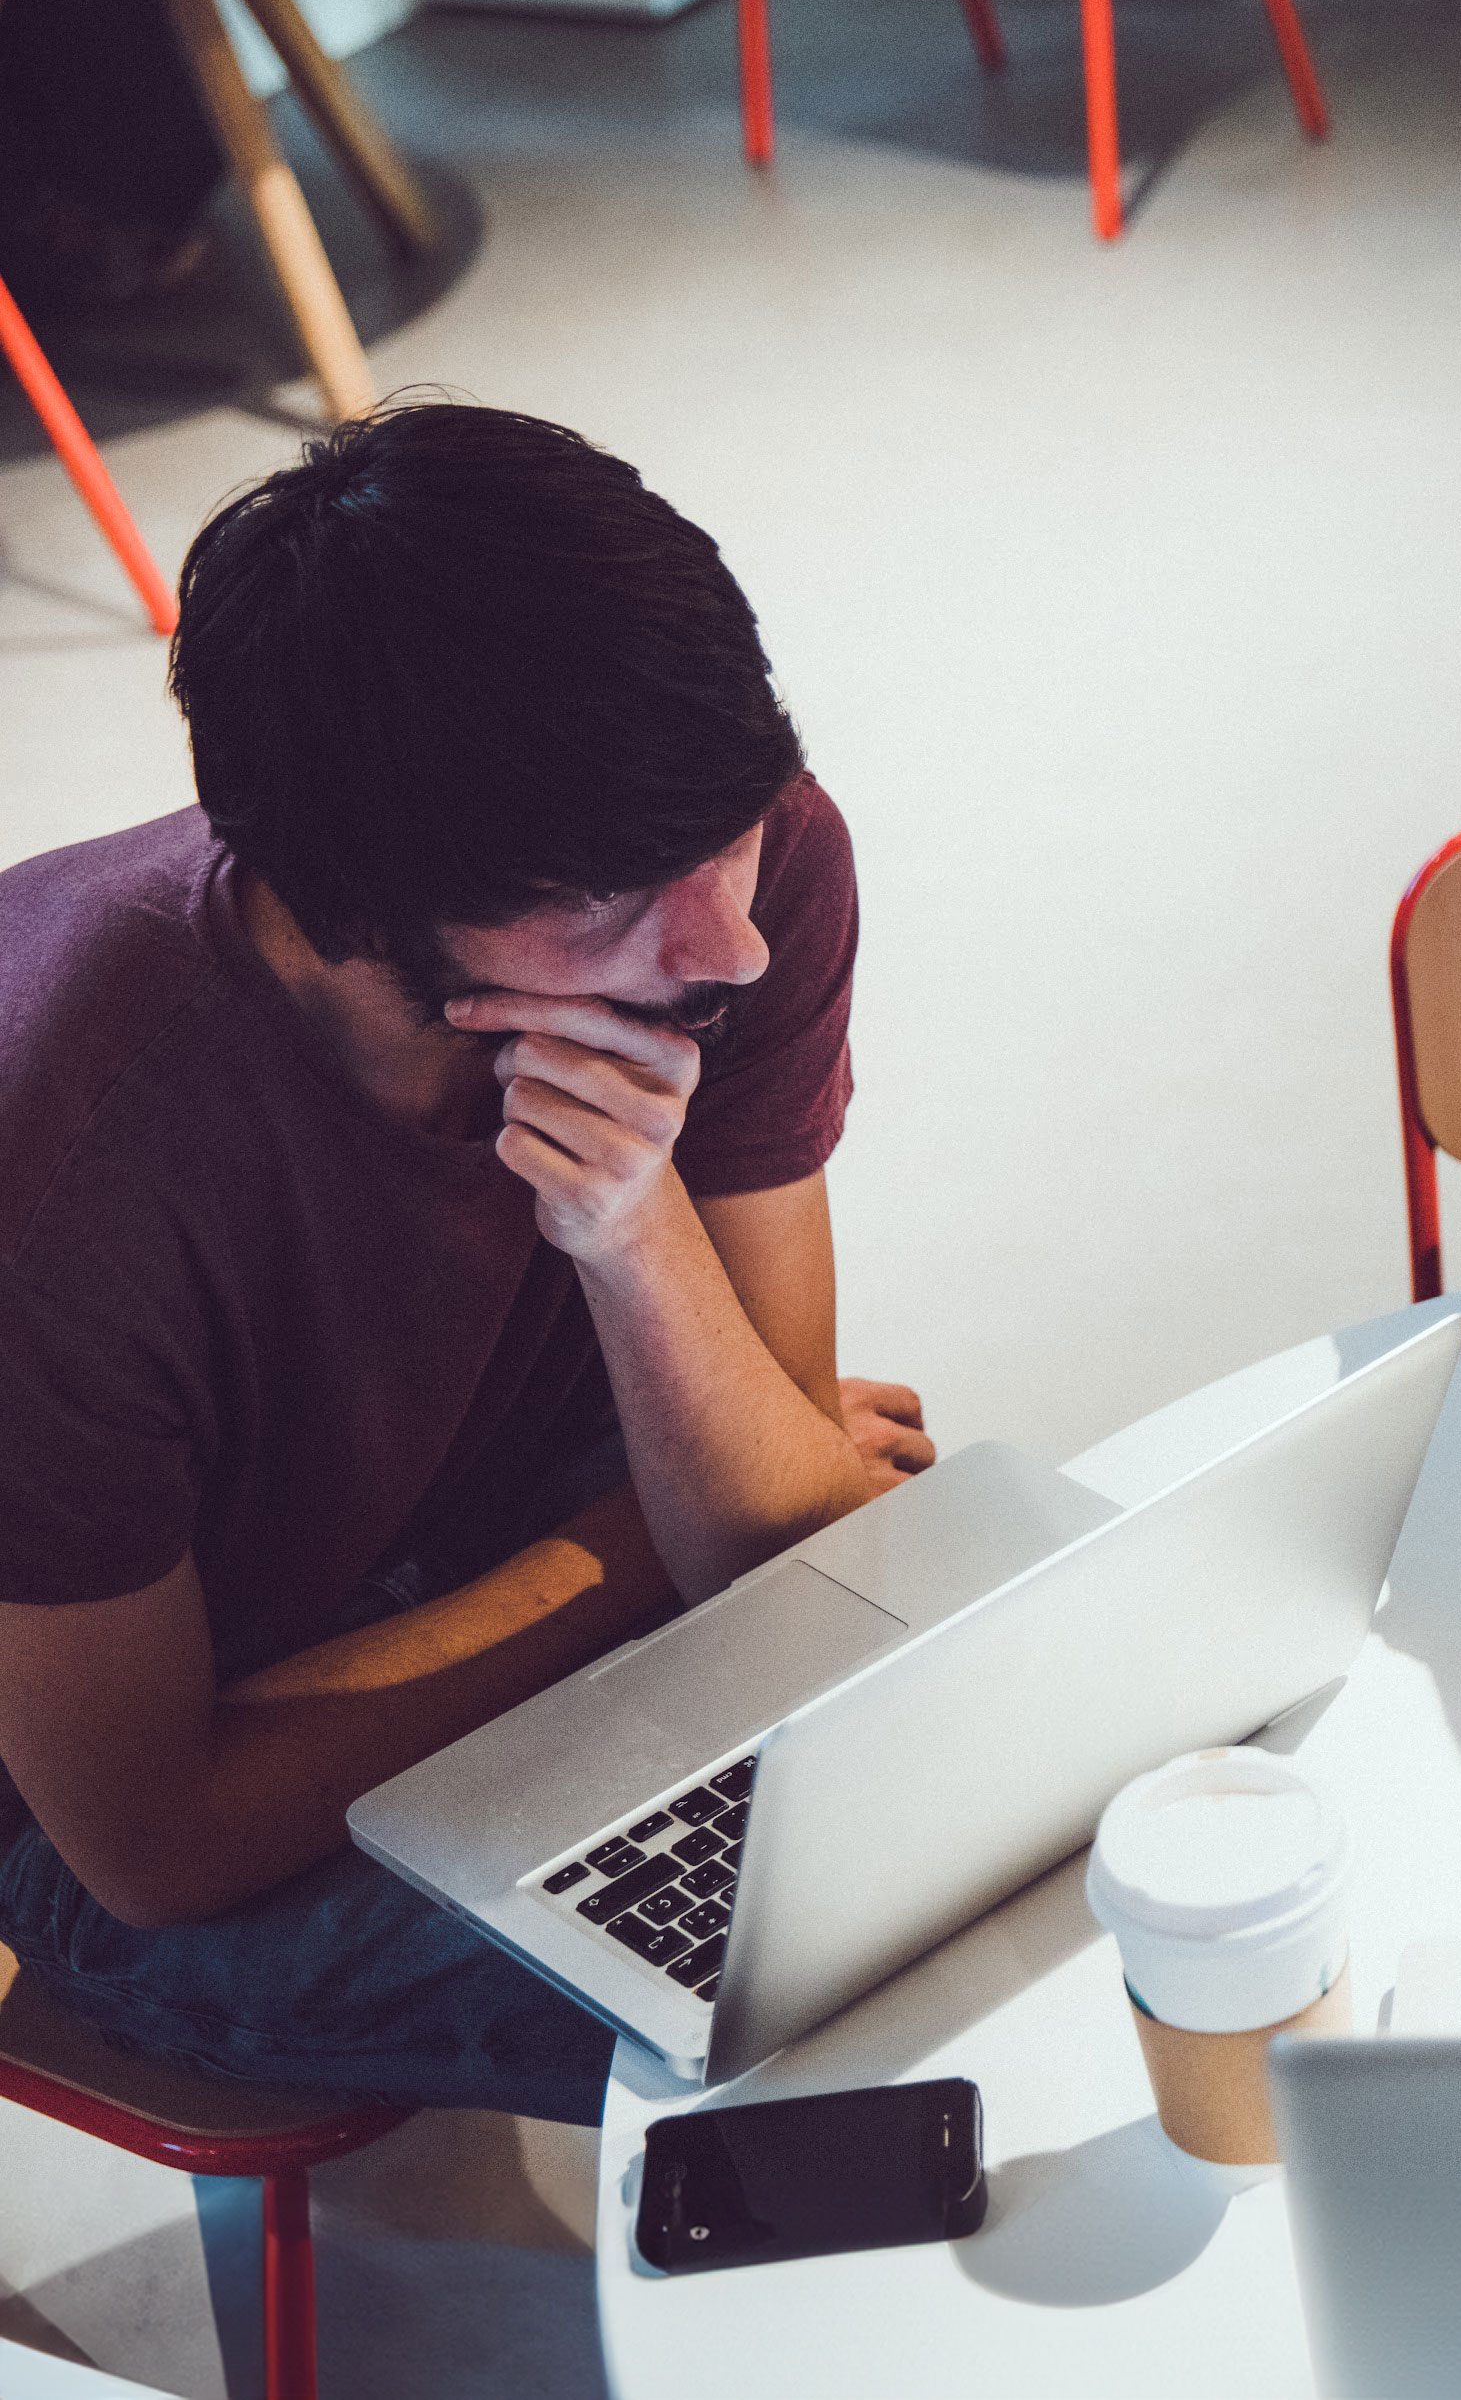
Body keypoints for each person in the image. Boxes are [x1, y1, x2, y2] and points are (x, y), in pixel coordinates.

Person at [0, 402, 933, 2126]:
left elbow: (784, 1541)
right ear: (349, 906)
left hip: (465, 1542)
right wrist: (650, 1544)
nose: (721, 944)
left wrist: (634, 1230)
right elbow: (155, 1839)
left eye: (723, 833)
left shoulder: (744, 861)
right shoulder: (57, 1164)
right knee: (808, 2008)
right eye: (601, 900)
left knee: (965, 1818)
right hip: (84, 1804)